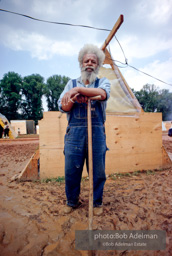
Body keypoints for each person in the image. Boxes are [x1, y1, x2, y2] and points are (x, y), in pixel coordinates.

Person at [58, 44, 110, 215]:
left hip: (96, 133)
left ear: (97, 65)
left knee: (97, 171)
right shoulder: (70, 83)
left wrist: (79, 90)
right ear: (81, 63)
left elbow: (102, 94)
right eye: (86, 60)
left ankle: (96, 203)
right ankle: (72, 201)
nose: (89, 63)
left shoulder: (102, 82)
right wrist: (74, 97)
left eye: (93, 61)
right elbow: (64, 107)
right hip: (74, 134)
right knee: (72, 169)